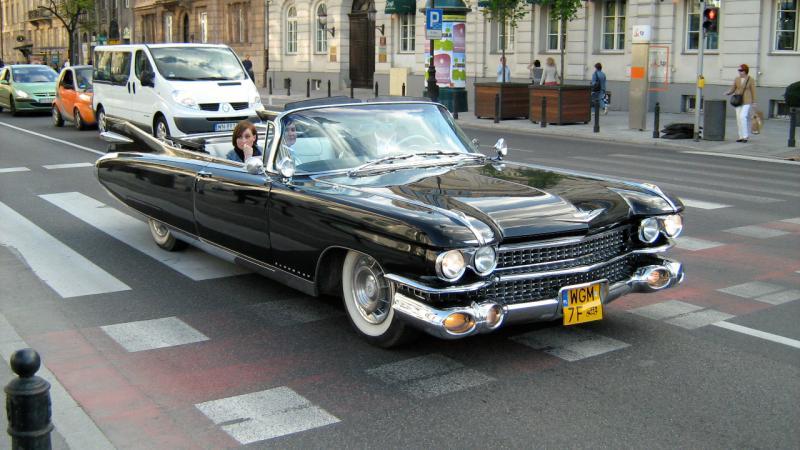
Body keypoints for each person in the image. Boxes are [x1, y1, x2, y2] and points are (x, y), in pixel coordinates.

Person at [725, 63, 757, 143]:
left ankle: (745, 136)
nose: (739, 72)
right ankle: (741, 136)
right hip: (738, 101)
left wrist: (754, 101)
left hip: (747, 101)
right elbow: (733, 88)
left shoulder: (750, 79)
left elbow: (753, 91)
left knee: (743, 116)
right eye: (739, 70)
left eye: (741, 70)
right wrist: (728, 93)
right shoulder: (737, 79)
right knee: (738, 118)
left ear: (745, 71)